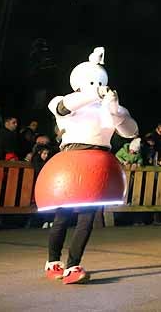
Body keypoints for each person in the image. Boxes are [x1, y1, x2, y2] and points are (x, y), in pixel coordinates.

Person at [34, 48, 139, 285]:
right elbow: (62, 107)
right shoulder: (65, 101)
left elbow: (131, 131)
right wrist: (94, 93)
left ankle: (73, 264)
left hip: (99, 163)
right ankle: (53, 260)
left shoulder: (107, 107)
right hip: (71, 161)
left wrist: (117, 111)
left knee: (87, 218)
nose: (96, 84)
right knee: (62, 217)